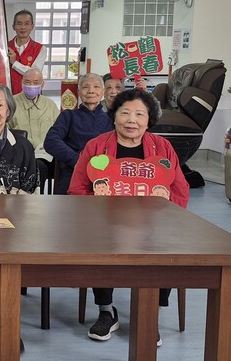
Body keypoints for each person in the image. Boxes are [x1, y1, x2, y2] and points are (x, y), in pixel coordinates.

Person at [68, 88, 189, 345]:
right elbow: (77, 189)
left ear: (149, 119)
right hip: (105, 223)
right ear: (114, 117)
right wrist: (96, 210)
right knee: (99, 243)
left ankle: (150, 315)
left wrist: (167, 213)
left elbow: (180, 189)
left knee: (166, 247)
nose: (131, 120)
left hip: (154, 224)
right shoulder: (96, 146)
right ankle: (106, 311)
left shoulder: (162, 148)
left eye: (139, 114)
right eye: (125, 113)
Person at [44, 73, 112, 194]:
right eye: (86, 87)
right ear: (79, 92)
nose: (91, 91)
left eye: (96, 87)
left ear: (103, 92)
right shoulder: (68, 116)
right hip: (74, 170)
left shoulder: (111, 119)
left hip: (106, 171)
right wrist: (78, 161)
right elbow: (51, 141)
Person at [8, 68, 59, 193]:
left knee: (64, 166)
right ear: (22, 83)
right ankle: (36, 200)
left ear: (42, 84)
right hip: (22, 154)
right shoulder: (11, 103)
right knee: (38, 167)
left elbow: (59, 130)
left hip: (47, 152)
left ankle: (59, 200)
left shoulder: (50, 105)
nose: (31, 85)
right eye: (27, 82)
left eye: (36, 82)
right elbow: (5, 131)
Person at [7, 10, 47, 95]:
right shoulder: (4, 47)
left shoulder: (40, 49)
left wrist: (14, 62)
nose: (23, 27)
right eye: (19, 24)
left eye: (27, 24)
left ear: (32, 26)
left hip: (31, 96)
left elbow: (34, 73)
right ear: (13, 27)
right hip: (8, 96)